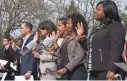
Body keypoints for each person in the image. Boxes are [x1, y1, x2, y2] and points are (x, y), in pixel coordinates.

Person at [78, 0, 126, 80]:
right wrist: (82, 38)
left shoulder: (115, 27)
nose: (95, 11)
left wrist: (111, 70)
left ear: (108, 12)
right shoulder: (96, 28)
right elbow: (91, 48)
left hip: (107, 71)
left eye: (98, 9)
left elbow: (116, 50)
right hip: (94, 70)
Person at [56, 13, 88, 80]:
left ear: (74, 24)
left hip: (77, 71)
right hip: (66, 71)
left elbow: (79, 55)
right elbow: (61, 54)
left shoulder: (80, 38)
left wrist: (66, 68)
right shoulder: (66, 38)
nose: (66, 25)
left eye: (68, 23)